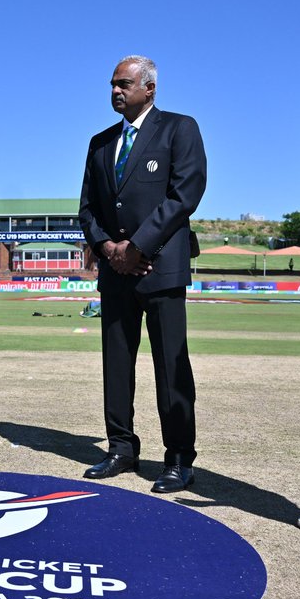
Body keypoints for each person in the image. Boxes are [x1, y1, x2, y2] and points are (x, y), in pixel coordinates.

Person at [78, 55, 207, 493]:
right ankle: (120, 448)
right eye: (112, 84)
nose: (116, 91)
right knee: (116, 363)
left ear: (149, 89)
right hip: (115, 272)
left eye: (124, 84)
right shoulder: (100, 143)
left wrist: (137, 246)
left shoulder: (178, 128)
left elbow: (185, 193)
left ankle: (177, 459)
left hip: (161, 268)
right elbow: (88, 208)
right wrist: (108, 248)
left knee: (171, 366)